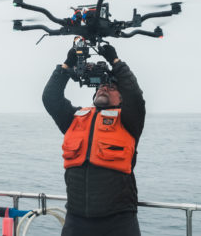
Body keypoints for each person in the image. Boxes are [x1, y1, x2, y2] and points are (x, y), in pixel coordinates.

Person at [42, 45, 146, 236]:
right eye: (101, 87)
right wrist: (66, 66)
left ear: (121, 98)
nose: (104, 88)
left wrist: (116, 62)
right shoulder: (74, 119)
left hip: (118, 220)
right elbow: (50, 98)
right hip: (76, 219)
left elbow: (135, 96)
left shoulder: (129, 120)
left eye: (112, 87)